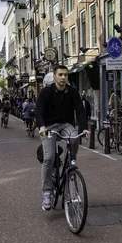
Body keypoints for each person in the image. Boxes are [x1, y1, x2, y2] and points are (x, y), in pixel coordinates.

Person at [35, 65, 90, 211]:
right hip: (49, 127)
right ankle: (47, 192)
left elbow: (80, 110)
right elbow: (38, 111)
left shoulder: (72, 92)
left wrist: (84, 127)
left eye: (65, 75)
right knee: (49, 157)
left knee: (74, 137)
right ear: (54, 76)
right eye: (60, 74)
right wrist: (41, 127)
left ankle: (71, 162)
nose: (63, 77)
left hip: (66, 124)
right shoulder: (46, 92)